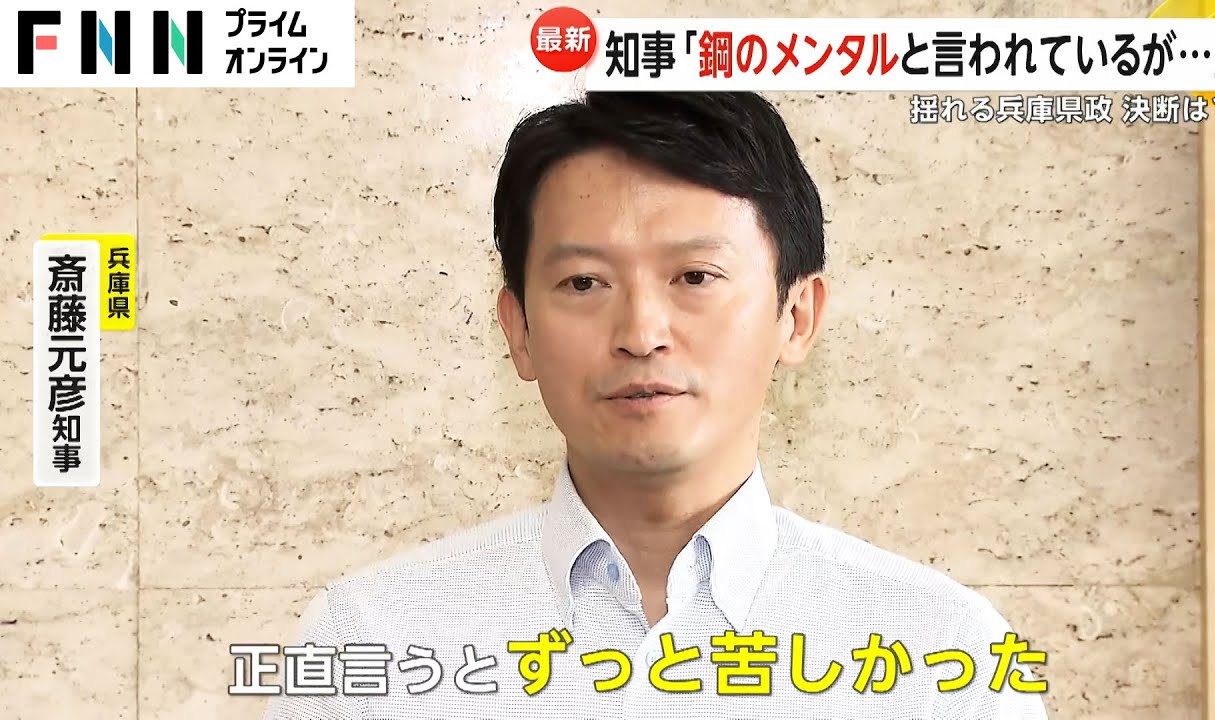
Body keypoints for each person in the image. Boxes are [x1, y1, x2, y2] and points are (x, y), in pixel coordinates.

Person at [262, 92, 1048, 720]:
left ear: (797, 316)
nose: (640, 333)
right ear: (519, 330)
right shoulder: (369, 644)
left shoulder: (943, 657)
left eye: (695, 278)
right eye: (584, 283)